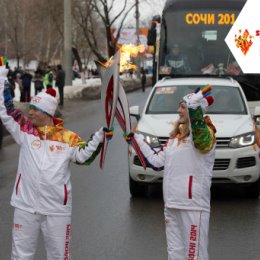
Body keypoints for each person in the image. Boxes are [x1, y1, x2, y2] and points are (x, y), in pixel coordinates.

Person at [0, 64, 111, 259]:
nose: (30, 112)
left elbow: (83, 156)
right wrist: (1, 80)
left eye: (34, 109)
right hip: (25, 206)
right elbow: (7, 110)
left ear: (47, 113)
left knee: (58, 256)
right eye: (30, 108)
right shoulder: (25, 130)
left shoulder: (67, 137)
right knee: (20, 255)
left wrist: (99, 137)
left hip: (57, 208)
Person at [127, 86, 216, 259]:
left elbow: (202, 141)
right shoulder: (174, 138)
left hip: (192, 205)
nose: (178, 110)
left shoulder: (207, 134)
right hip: (172, 205)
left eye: (183, 106)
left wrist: (195, 109)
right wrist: (135, 138)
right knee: (175, 255)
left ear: (194, 108)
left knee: (194, 256)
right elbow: (157, 162)